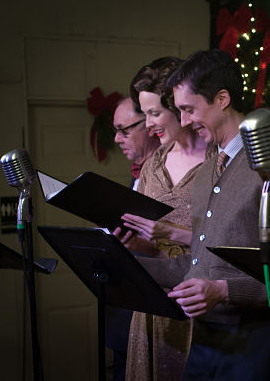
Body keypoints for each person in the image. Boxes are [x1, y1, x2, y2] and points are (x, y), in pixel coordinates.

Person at [135, 49, 270, 381]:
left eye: (189, 109)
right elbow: (198, 264)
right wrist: (126, 263)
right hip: (204, 340)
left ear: (222, 98)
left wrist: (222, 290)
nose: (185, 121)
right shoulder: (206, 173)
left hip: (255, 343)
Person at [116, 56, 211, 381]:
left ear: (180, 107)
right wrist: (136, 242)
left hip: (199, 304)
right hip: (154, 305)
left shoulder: (217, 158)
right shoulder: (153, 164)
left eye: (155, 113)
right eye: (144, 115)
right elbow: (154, 244)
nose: (150, 123)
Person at [106, 96, 160, 381]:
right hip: (123, 320)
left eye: (124, 130)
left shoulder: (172, 175)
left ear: (150, 125)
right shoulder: (137, 177)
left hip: (157, 319)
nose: (117, 139)